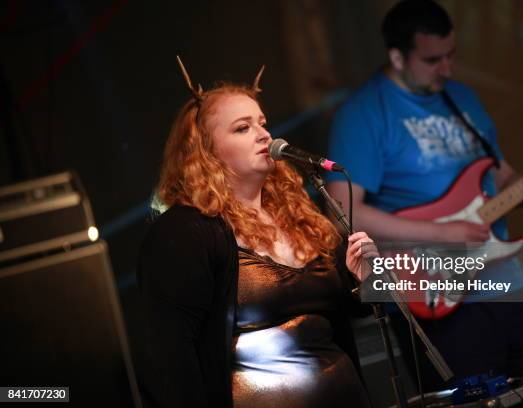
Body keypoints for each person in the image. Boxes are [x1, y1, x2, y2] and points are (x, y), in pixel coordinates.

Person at [326, 0, 523, 393]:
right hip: (434, 288)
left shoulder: (462, 97)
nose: (447, 69)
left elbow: (506, 181)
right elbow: (343, 211)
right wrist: (443, 233)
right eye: (433, 60)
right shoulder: (364, 112)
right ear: (397, 56)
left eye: (451, 56)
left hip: (507, 281)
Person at [137, 59, 377, 407]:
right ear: (206, 151)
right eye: (242, 128)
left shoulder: (296, 213)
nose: (265, 134)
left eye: (263, 123)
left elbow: (346, 313)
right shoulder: (186, 232)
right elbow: (171, 355)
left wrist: (361, 282)